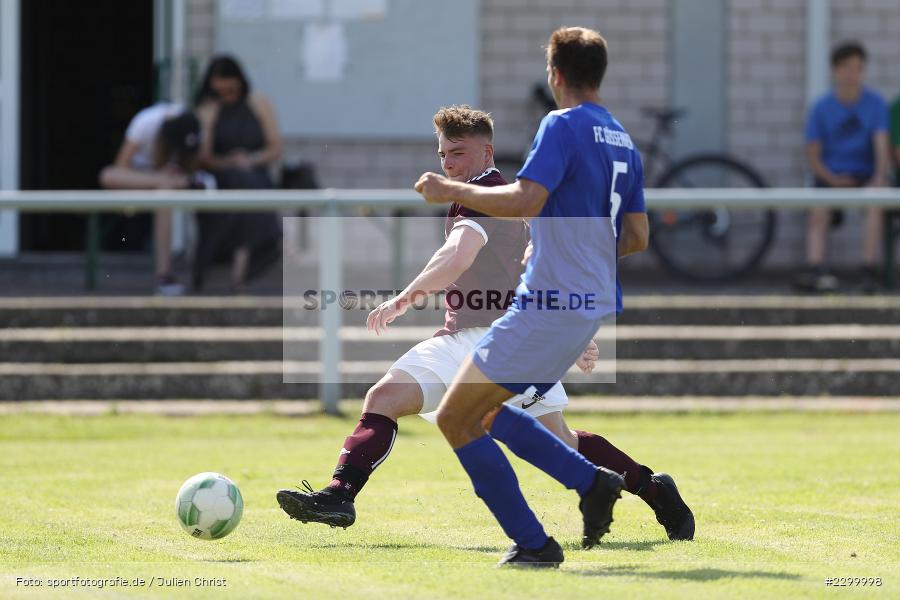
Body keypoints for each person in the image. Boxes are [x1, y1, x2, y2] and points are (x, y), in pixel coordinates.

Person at [276, 105, 693, 550]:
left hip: (506, 342)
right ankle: (340, 497)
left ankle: (644, 493)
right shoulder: (497, 196)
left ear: (486, 150)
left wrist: (403, 298)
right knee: (386, 398)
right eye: (442, 155)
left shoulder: (485, 193)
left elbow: (458, 256)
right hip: (468, 338)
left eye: (457, 152)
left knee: (559, 442)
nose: (448, 163)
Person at [414, 27, 691, 568]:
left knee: (455, 418)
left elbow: (523, 198)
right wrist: (569, 249)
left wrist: (449, 190)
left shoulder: (561, 124)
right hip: (591, 305)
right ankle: (594, 484)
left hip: (546, 303)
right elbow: (636, 238)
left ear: (555, 74)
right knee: (490, 410)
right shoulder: (621, 138)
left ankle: (539, 540)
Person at [798, 42, 891, 293]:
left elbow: (881, 146)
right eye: (847, 68)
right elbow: (813, 155)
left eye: (858, 68)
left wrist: (878, 178)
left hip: (864, 174)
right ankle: (816, 271)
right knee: (817, 211)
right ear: (835, 70)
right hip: (830, 175)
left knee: (876, 204)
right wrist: (832, 179)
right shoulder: (821, 107)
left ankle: (868, 272)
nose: (852, 75)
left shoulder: (875, 103)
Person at [100, 109, 214, 295]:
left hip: (171, 184)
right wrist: (159, 178)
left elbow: (196, 167)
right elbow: (120, 167)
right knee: (108, 175)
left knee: (165, 194)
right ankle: (163, 182)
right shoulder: (146, 122)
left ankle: (164, 275)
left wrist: (181, 176)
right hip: (138, 180)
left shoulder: (193, 124)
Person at [194, 55, 283, 291]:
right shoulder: (207, 110)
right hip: (221, 175)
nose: (227, 97)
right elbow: (203, 158)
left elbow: (275, 148)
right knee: (243, 187)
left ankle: (243, 270)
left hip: (255, 173)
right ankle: (241, 270)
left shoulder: (258, 103)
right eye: (220, 92)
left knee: (250, 185)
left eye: (231, 91)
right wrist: (210, 126)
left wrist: (250, 159)